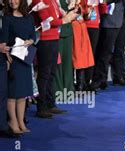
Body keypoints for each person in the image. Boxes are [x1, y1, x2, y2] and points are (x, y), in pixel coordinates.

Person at [32, 0, 78, 118]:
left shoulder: (53, 1)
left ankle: (50, 103)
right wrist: (65, 19)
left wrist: (68, 14)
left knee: (51, 73)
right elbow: (47, 20)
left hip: (53, 38)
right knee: (45, 74)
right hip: (44, 40)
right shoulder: (39, 1)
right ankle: (41, 107)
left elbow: (57, 16)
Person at [1, 0, 35, 134]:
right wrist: (7, 58)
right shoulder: (7, 18)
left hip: (25, 59)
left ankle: (21, 121)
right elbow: (3, 39)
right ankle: (13, 121)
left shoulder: (29, 17)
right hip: (13, 59)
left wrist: (30, 41)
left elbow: (33, 35)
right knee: (13, 93)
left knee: (22, 94)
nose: (12, 1)